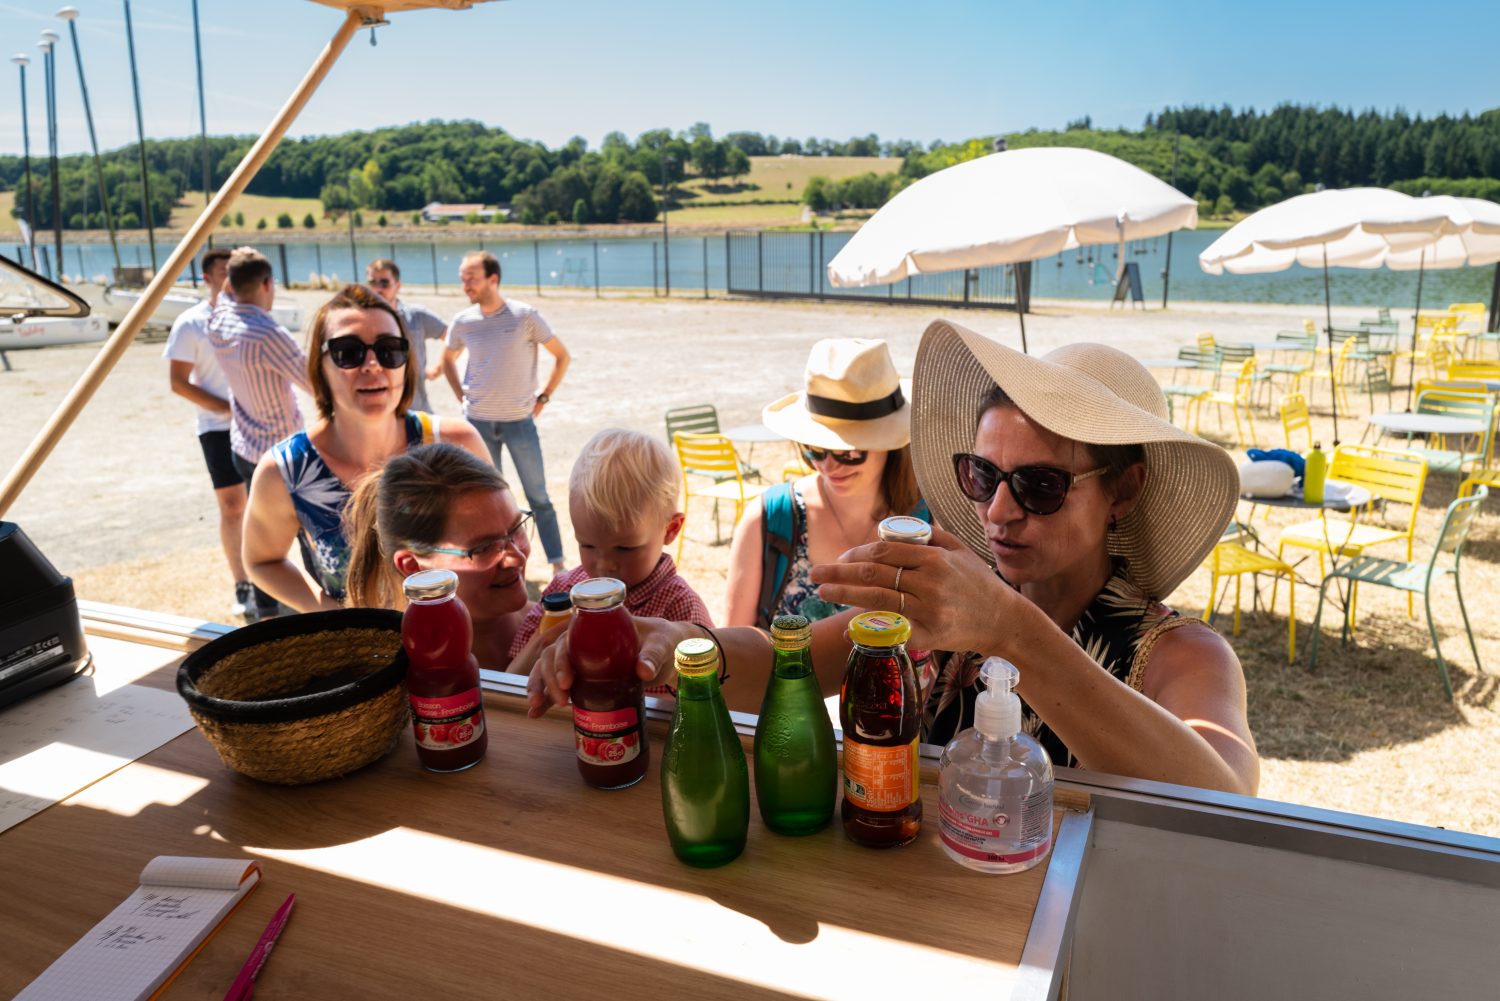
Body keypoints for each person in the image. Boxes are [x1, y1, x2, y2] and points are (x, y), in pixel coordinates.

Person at [530, 320, 1260, 796]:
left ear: (1124, 490)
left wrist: (1011, 632)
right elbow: (791, 660)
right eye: (982, 475)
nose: (997, 512)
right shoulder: (953, 600)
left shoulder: (1182, 657)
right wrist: (687, 644)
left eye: (1040, 485)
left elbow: (1225, 794)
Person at [242, 285, 487, 612]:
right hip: (362, 657)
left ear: (406, 361)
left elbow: (501, 541)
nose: (372, 364)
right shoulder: (286, 470)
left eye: (389, 349)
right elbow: (262, 561)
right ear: (320, 365)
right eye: (348, 351)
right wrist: (332, 615)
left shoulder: (456, 444)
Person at [725, 338, 924, 628]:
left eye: (848, 451)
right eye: (815, 446)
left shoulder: (926, 526)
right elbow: (734, 652)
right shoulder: (768, 519)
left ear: (890, 443)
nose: (828, 465)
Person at [508, 429, 713, 662]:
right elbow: (513, 677)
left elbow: (713, 685)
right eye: (587, 545)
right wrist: (544, 642)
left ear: (671, 529)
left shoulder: (680, 610)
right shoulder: (561, 594)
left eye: (624, 548)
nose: (604, 565)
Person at [440, 250, 570, 576]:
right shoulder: (463, 321)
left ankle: (558, 565)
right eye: (462, 278)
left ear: (492, 279)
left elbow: (562, 356)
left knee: (538, 496)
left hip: (519, 423)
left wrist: (545, 397)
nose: (465, 284)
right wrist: (462, 396)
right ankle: (500, 563)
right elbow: (446, 360)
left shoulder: (525, 316)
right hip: (477, 425)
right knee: (487, 499)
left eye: (471, 277)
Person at [344, 442, 532, 670]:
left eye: (516, 528)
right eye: (483, 547)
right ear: (414, 566)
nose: (516, 558)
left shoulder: (553, 623)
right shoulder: (402, 673)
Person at [207, 246, 310, 620]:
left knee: (262, 530)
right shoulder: (268, 332)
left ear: (230, 283)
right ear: (268, 283)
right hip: (283, 450)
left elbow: (219, 300)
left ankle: (267, 606)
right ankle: (318, 603)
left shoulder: (218, 321)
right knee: (307, 532)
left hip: (245, 446)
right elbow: (313, 382)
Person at [163, 247, 260, 620]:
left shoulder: (253, 316)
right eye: (224, 271)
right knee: (233, 507)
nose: (231, 277)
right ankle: (243, 583)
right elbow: (177, 382)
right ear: (207, 277)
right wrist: (226, 407)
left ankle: (271, 581)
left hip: (260, 426)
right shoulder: (191, 322)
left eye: (235, 271)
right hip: (218, 428)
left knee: (268, 507)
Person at [365, 258, 446, 414]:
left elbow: (454, 338)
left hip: (416, 411)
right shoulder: (360, 322)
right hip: (379, 413)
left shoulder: (417, 317)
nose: (377, 289)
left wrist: (439, 369)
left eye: (384, 283)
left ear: (398, 286)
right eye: (372, 283)